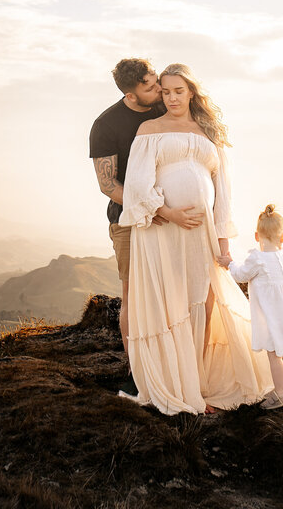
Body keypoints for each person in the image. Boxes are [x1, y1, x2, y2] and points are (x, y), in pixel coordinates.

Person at [119, 63, 272, 414]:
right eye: (166, 92)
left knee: (203, 302)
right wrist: (169, 212)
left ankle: (197, 385)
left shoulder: (207, 132)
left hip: (202, 234)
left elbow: (223, 191)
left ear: (191, 92)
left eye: (179, 91)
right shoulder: (149, 129)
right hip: (163, 230)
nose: (172, 98)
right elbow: (137, 187)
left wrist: (222, 240)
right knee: (171, 303)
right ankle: (177, 386)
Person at [89, 58, 165, 348]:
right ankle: (135, 365)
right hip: (127, 220)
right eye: (150, 87)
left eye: (157, 81)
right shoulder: (106, 125)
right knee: (133, 294)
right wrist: (150, 208)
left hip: (170, 216)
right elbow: (107, 184)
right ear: (131, 95)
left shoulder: (164, 106)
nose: (159, 89)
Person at [220, 204, 283, 409]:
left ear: (256, 236)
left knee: (274, 354)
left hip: (271, 316)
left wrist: (229, 263)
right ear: (282, 237)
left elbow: (241, 274)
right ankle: (282, 389)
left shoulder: (257, 258)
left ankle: (282, 394)